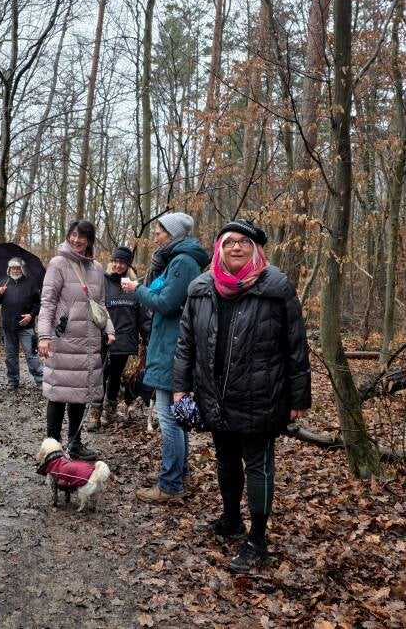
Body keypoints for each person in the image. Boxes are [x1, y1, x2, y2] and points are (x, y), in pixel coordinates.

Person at [172, 219, 311, 572]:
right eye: (230, 241)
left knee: (258, 466)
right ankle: (231, 520)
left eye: (245, 242)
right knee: (225, 460)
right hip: (214, 394)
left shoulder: (275, 286)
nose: (237, 247)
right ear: (219, 248)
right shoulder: (200, 288)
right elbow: (186, 342)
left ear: (256, 249)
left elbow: (296, 345)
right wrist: (180, 387)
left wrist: (299, 398)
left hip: (260, 395)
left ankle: (257, 540)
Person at [122, 212, 208, 502]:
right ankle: (180, 473)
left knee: (169, 420)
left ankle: (170, 485)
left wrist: (138, 290)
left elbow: (167, 303)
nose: (155, 236)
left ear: (172, 234)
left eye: (159, 232)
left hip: (172, 349)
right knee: (177, 418)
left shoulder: (182, 262)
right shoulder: (178, 259)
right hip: (170, 346)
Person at [37, 220, 115, 461]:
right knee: (58, 394)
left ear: (89, 240)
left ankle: (75, 442)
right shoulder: (58, 264)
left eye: (81, 236)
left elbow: (100, 304)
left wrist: (109, 329)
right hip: (63, 340)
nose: (76, 240)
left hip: (88, 342)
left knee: (80, 393)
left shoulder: (97, 268)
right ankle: (52, 447)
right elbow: (47, 302)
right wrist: (43, 336)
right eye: (72, 234)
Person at [86, 246, 147, 431]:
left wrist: (149, 336)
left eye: (123, 262)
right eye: (116, 261)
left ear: (128, 265)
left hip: (125, 341)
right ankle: (94, 415)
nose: (118, 265)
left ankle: (110, 411)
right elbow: (93, 309)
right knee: (100, 376)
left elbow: (142, 317)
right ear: (111, 262)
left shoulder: (134, 287)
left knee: (115, 377)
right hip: (103, 340)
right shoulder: (102, 282)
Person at [0, 257, 43, 391]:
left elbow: (38, 304)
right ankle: (13, 381)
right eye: (13, 268)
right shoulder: (3, 282)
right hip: (8, 327)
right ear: (9, 269)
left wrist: (31, 315)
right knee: (10, 356)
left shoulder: (31, 283)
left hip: (26, 326)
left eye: (17, 268)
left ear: (22, 269)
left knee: (31, 355)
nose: (15, 270)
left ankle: (41, 380)